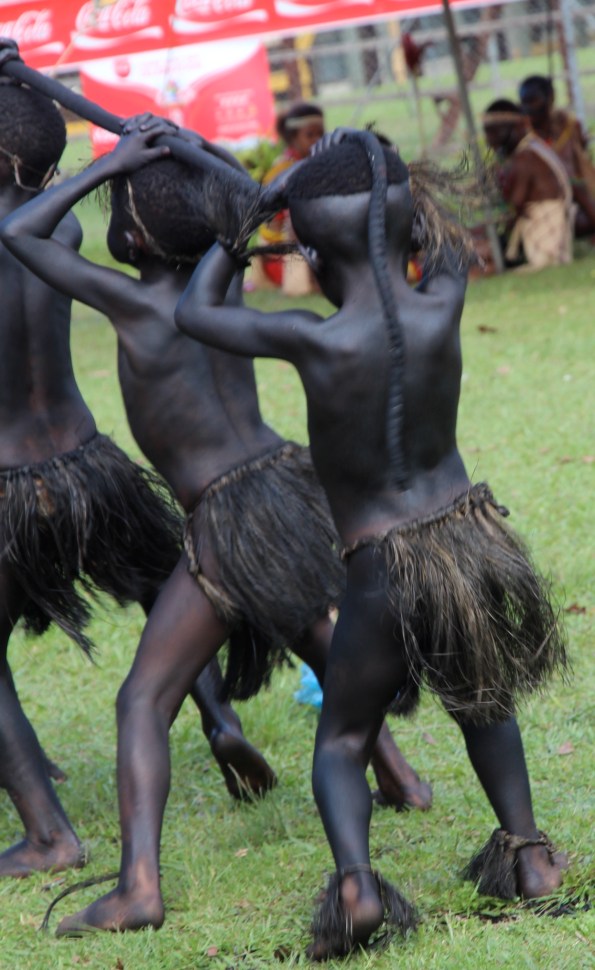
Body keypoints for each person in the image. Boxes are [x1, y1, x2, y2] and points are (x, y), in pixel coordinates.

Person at [0, 114, 430, 933]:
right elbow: (243, 197)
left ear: (136, 237)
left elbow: (21, 232)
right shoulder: (217, 280)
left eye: (122, 209)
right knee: (310, 627)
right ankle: (400, 777)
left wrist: (111, 165)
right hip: (283, 483)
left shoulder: (134, 301)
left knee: (142, 700)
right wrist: (193, 151)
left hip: (226, 514)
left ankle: (139, 888)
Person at [174, 128, 568, 959]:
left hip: (381, 564)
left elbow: (195, 313)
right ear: (403, 225)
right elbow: (440, 236)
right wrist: (378, 186)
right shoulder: (443, 298)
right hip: (467, 543)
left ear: (313, 253)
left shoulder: (313, 337)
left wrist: (250, 220)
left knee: (345, 739)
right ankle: (531, 859)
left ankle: (356, 888)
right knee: (484, 704)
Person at [0, 42, 278, 880]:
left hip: (7, 485)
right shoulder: (64, 224)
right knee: (166, 586)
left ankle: (49, 835)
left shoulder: (42, 228)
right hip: (89, 463)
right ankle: (220, 719)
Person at [482, 98, 574, 270]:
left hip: (546, 245)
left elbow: (514, 205)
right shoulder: (534, 147)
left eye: (494, 133)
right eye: (487, 133)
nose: (489, 140)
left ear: (516, 127)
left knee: (483, 259)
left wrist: (492, 237)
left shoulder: (525, 157)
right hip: (550, 234)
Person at [254, 101, 324, 296]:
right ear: (292, 138)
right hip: (282, 258)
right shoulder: (282, 170)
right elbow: (274, 227)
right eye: (310, 135)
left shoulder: (320, 164)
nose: (317, 140)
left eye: (321, 134)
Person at [519, 74, 595, 238]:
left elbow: (581, 159)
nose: (529, 108)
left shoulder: (569, 125)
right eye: (524, 102)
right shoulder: (525, 140)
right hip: (551, 206)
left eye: (533, 101)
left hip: (582, 195)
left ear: (550, 98)